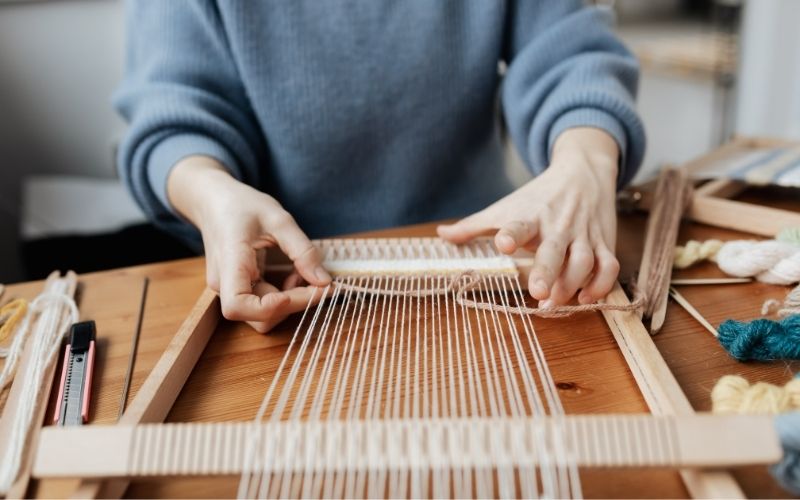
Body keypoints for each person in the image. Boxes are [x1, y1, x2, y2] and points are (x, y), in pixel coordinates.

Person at [115, 1, 645, 332]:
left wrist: (586, 161)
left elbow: (570, 55)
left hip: (496, 263)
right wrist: (211, 192)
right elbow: (174, 115)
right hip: (288, 283)